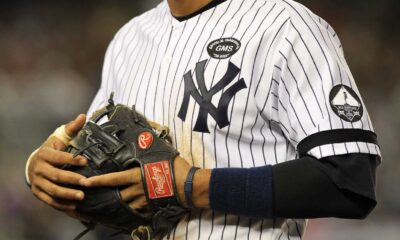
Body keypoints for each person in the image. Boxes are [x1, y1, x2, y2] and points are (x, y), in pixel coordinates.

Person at [26, 0, 381, 239]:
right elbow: (103, 177)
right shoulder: (129, 38)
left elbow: (348, 181)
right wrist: (46, 173)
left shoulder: (286, 25)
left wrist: (190, 185)